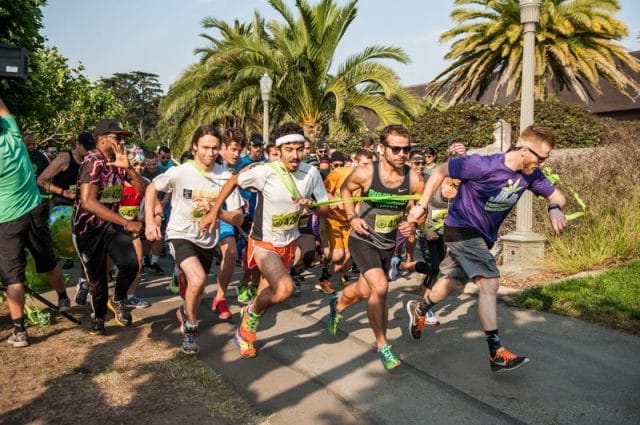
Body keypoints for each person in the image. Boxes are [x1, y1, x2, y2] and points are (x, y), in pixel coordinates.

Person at [405, 124, 568, 373]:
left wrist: (554, 208)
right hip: (460, 227)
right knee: (490, 282)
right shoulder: (483, 165)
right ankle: (496, 353)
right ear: (524, 150)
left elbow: (557, 196)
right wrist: (423, 206)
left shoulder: (531, 175)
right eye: (541, 157)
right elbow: (440, 170)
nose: (543, 163)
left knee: (455, 283)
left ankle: (421, 308)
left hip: (484, 236)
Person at [200, 122, 329, 359]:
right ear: (278, 150)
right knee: (284, 289)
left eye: (300, 149)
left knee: (267, 295)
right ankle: (249, 313)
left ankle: (245, 333)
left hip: (289, 243)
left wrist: (313, 206)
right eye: (289, 149)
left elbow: (325, 210)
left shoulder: (311, 174)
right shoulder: (265, 172)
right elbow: (233, 181)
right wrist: (213, 211)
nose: (296, 155)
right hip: (263, 243)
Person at [326, 125, 424, 371]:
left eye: (406, 149)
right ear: (383, 149)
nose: (402, 153)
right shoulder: (367, 172)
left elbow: (421, 207)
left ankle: (337, 305)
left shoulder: (413, 178)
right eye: (396, 148)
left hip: (388, 244)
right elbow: (346, 190)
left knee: (363, 291)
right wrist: (351, 217)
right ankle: (383, 346)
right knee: (380, 288)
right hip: (363, 239)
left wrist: (412, 224)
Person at [145, 125, 243, 354]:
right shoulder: (181, 172)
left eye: (215, 148)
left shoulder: (225, 177)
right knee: (198, 280)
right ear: (195, 147)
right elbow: (151, 188)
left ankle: (185, 308)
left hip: (207, 240)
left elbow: (237, 217)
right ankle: (190, 327)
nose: (210, 153)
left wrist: (215, 211)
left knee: (195, 288)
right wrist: (150, 222)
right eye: (205, 148)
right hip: (180, 234)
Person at [0, 95, 72, 348]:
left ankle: (19, 332)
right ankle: (63, 298)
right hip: (33, 211)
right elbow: (4, 110)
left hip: (6, 220)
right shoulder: (13, 138)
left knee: (13, 277)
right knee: (48, 261)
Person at [72, 119, 146, 335]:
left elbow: (144, 189)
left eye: (124, 138)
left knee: (131, 264)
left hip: (110, 227)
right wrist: (126, 222)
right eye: (118, 138)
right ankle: (98, 317)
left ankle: (120, 299)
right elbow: (88, 201)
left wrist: (129, 169)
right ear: (101, 139)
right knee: (97, 278)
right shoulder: (93, 162)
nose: (122, 142)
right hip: (88, 230)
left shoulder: (119, 162)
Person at [210, 127, 246, 320]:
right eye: (233, 149)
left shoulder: (231, 172)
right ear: (222, 147)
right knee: (194, 274)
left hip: (221, 219)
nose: (237, 154)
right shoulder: (204, 163)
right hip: (193, 222)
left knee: (231, 252)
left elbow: (236, 211)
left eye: (239, 150)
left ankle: (220, 297)